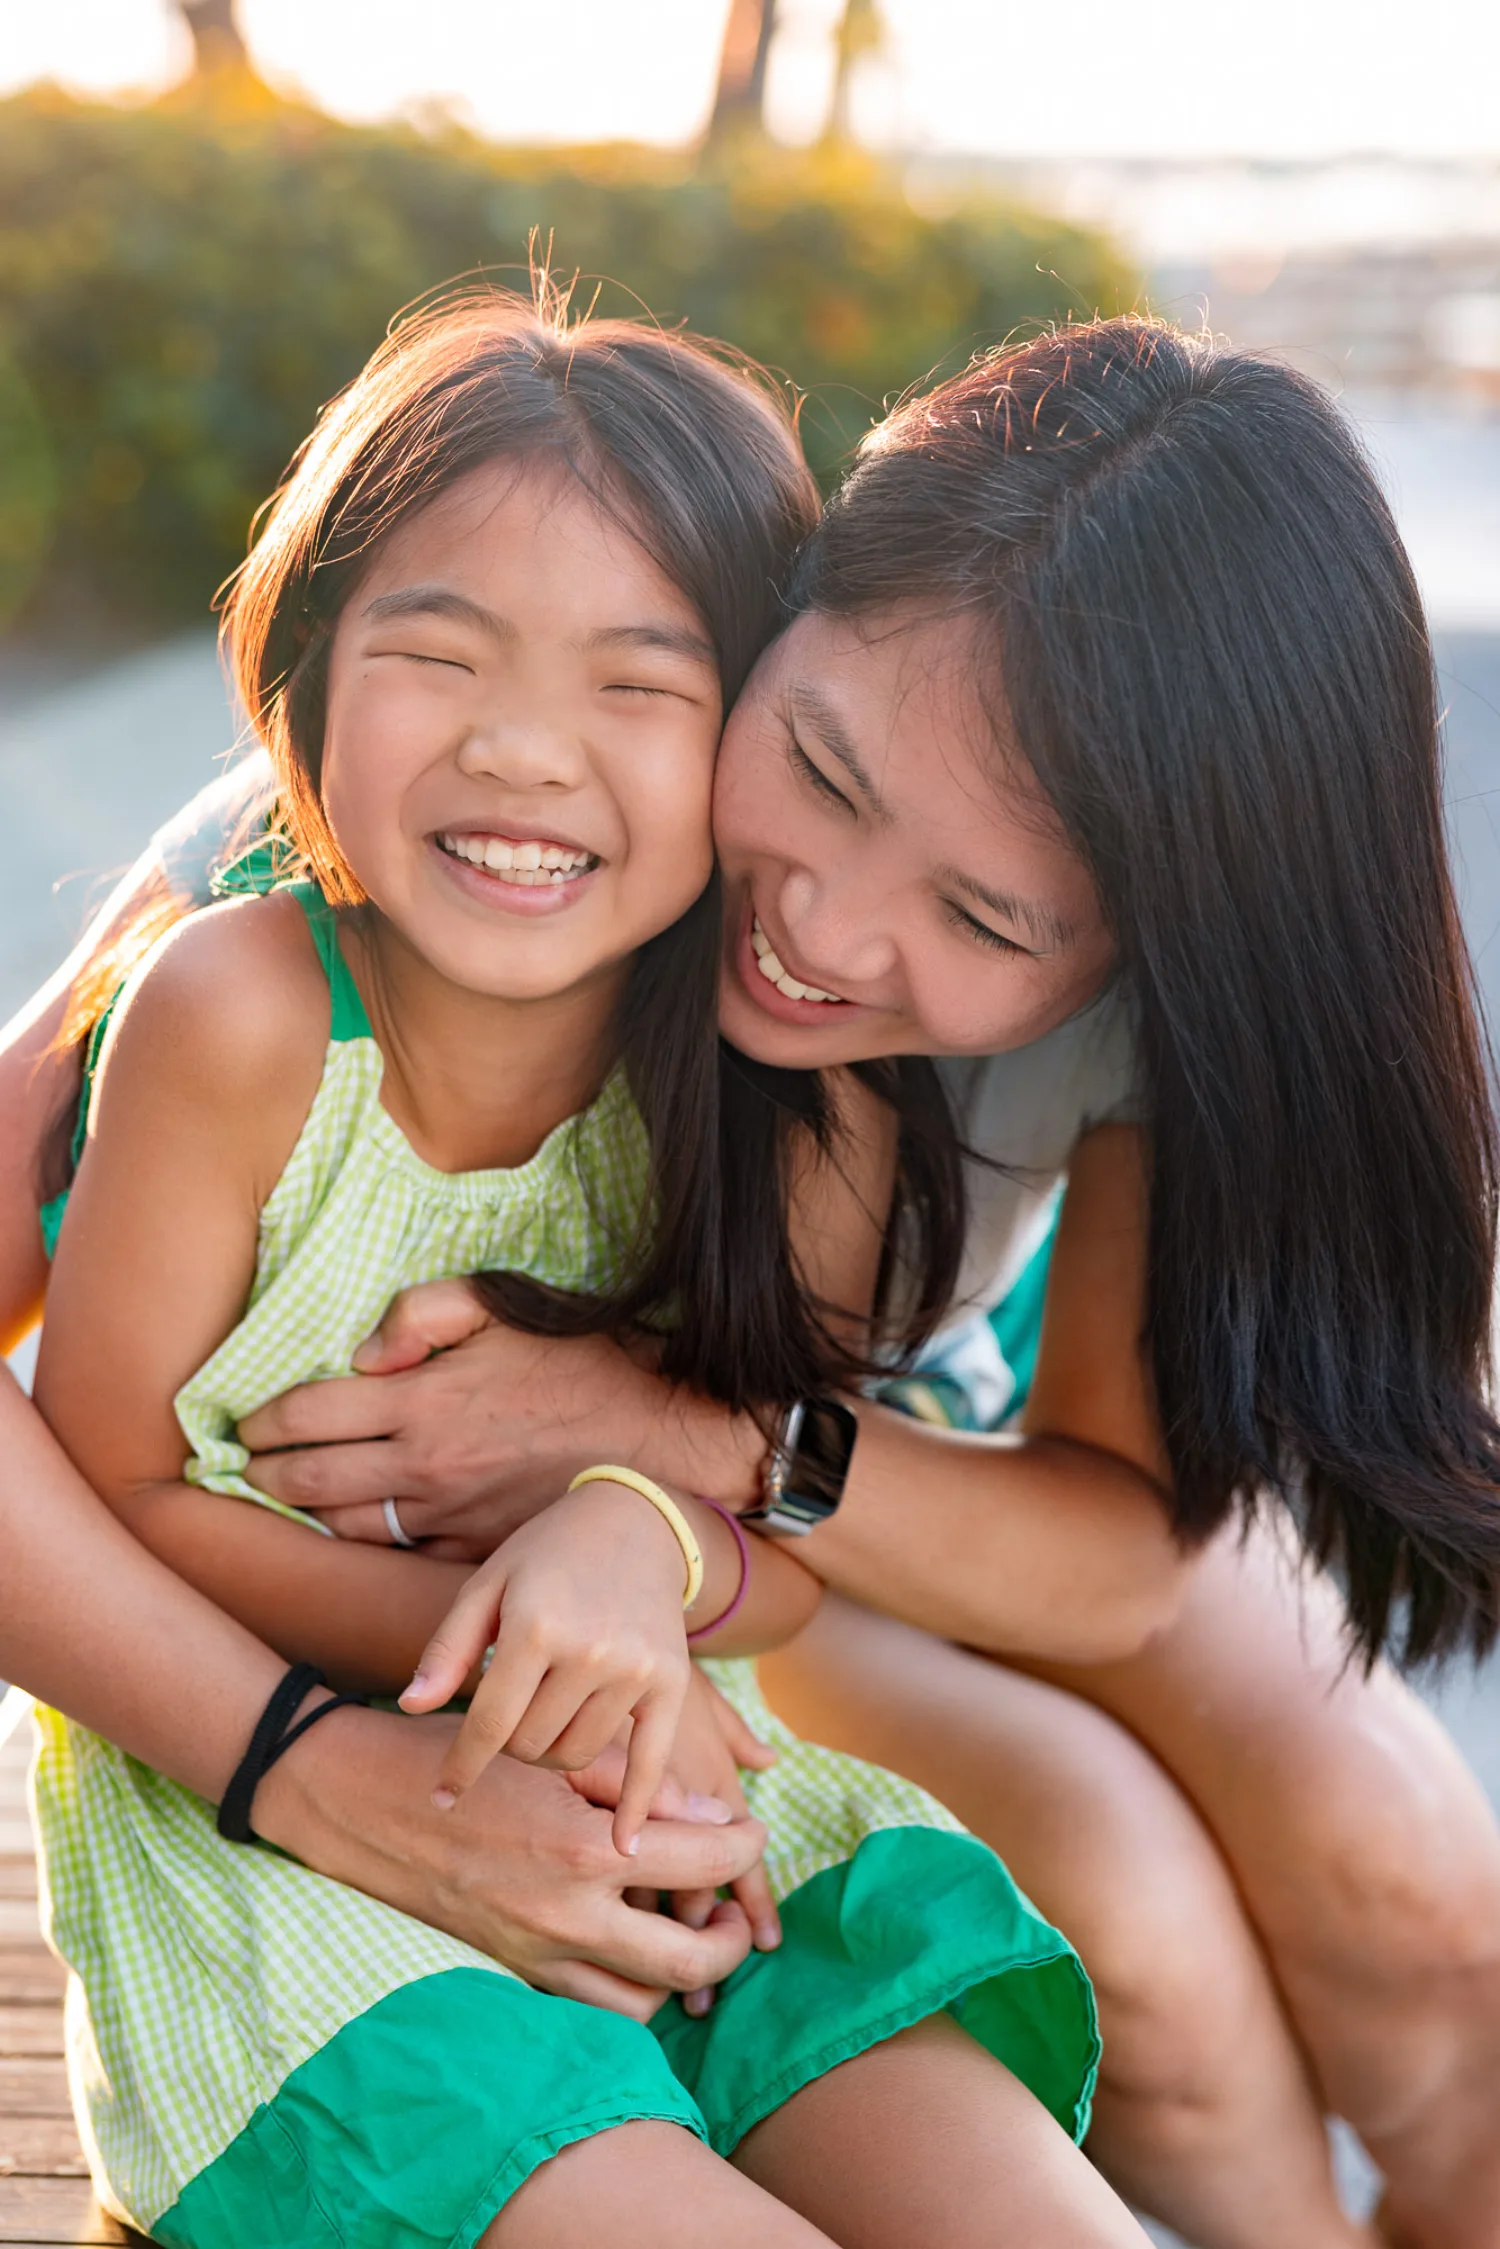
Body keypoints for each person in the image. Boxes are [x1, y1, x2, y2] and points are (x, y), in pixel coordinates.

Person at [176, 319, 1500, 2249]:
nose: (818, 925)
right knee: (1138, 1931)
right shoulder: (485, 816)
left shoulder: (1157, 1005)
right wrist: (282, 1750)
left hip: (861, 1440)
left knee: (1405, 1891)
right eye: (814, 764)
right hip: (645, 1551)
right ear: (792, 595)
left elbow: (1118, 1541)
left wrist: (687, 1429)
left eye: (983, 920)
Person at [25, 293, 1144, 2249]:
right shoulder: (233, 1011)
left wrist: (636, 1537)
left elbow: (777, 1525)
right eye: (434, 650)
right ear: (302, 667)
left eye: (643, 683)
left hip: (670, 1807)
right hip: (278, 1855)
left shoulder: (804, 1097)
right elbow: (107, 1479)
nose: (523, 747)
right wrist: (503, 1645)